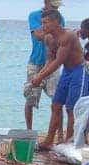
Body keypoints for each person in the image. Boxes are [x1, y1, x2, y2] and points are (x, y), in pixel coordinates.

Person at [32, 10, 88, 150]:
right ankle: (49, 141)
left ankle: (70, 142)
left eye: (45, 22)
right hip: (67, 72)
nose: (42, 26)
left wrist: (40, 76)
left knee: (72, 109)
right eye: (42, 23)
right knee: (56, 105)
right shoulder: (48, 38)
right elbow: (49, 60)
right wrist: (38, 75)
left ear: (56, 22)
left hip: (79, 71)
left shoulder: (67, 36)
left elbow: (58, 61)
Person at [25, 1, 65, 132]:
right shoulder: (34, 15)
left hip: (53, 63)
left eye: (57, 7)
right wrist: (52, 32)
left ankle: (59, 135)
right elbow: (37, 36)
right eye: (53, 6)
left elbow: (59, 39)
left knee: (57, 100)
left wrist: (48, 33)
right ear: (46, 2)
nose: (56, 9)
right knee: (30, 99)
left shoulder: (60, 18)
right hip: (35, 62)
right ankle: (29, 132)